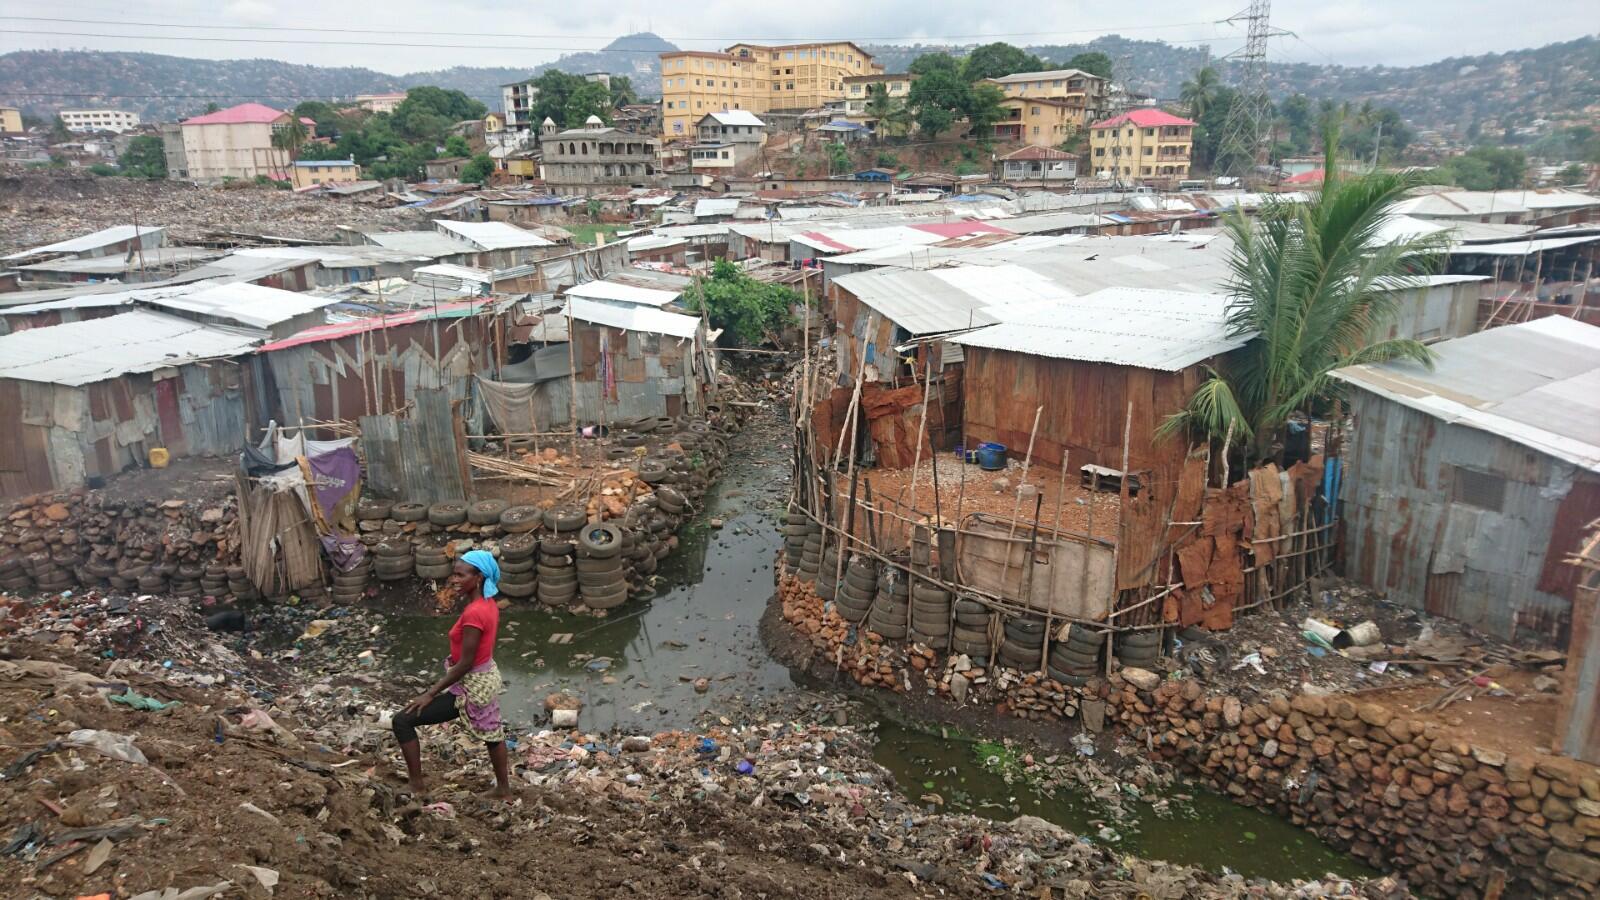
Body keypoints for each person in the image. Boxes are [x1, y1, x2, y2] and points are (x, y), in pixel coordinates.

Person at [391, 550, 512, 798]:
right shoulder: (488, 604)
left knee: (402, 721)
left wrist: (430, 693)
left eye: (460, 575)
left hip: (471, 685)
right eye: (453, 574)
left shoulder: (474, 613)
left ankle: (417, 786)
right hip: (485, 677)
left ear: (478, 577)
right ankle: (503, 789)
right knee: (492, 733)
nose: (454, 580)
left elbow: (465, 663)